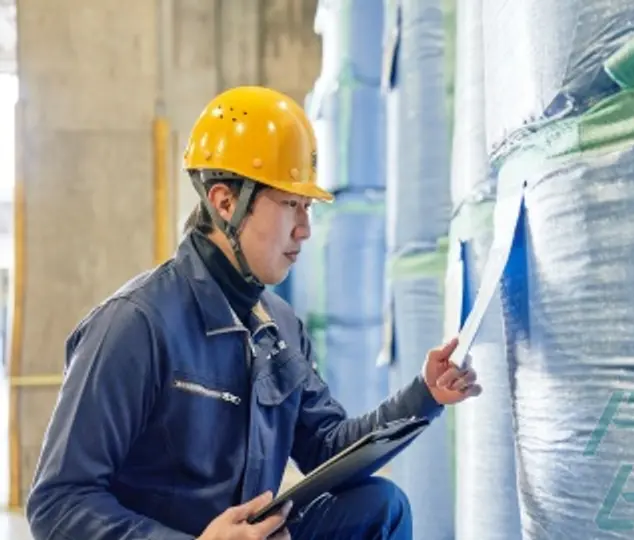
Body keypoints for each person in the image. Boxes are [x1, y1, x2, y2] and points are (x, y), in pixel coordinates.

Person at [25, 86, 481, 540]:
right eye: (290, 204)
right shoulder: (136, 325)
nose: (304, 229)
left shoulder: (279, 328)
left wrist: (424, 395)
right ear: (225, 202)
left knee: (380, 507)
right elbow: (58, 502)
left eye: (307, 208)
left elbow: (325, 446)